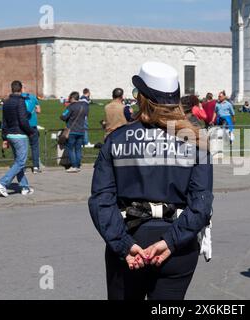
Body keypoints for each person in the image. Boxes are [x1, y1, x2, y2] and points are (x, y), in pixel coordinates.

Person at [88, 61, 213, 300]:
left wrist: (123, 245)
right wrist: (170, 242)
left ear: (142, 99)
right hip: (178, 243)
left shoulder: (116, 139)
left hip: (129, 237)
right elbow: (202, 204)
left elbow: (101, 200)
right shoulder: (196, 142)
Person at [0, 81, 36, 197]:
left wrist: (4, 137)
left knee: (18, 162)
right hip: (20, 135)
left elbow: (4, 121)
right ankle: (2, 182)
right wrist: (31, 131)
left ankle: (24, 187)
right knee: (21, 161)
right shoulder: (20, 102)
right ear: (21, 89)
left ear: (12, 89)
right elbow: (23, 120)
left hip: (10, 135)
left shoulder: (6, 102)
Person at [60, 91, 89, 173]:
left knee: (70, 148)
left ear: (72, 98)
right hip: (81, 130)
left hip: (72, 130)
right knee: (78, 149)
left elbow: (63, 116)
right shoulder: (84, 106)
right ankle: (78, 165)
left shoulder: (71, 107)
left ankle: (74, 166)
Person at [22, 84, 42, 174]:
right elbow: (38, 110)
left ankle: (23, 167)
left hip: (22, 126)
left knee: (23, 147)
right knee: (34, 146)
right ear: (25, 88)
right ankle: (36, 167)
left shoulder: (17, 98)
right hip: (32, 125)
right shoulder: (33, 97)